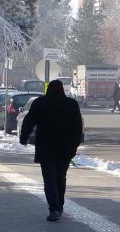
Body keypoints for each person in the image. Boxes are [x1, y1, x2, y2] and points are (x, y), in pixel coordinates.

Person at [19, 80, 83, 222]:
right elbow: (78, 127)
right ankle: (59, 207)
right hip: (65, 148)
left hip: (46, 147)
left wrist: (24, 138)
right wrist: (75, 145)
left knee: (49, 179)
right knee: (60, 177)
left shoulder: (40, 103)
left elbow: (29, 121)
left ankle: (54, 209)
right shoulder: (71, 104)